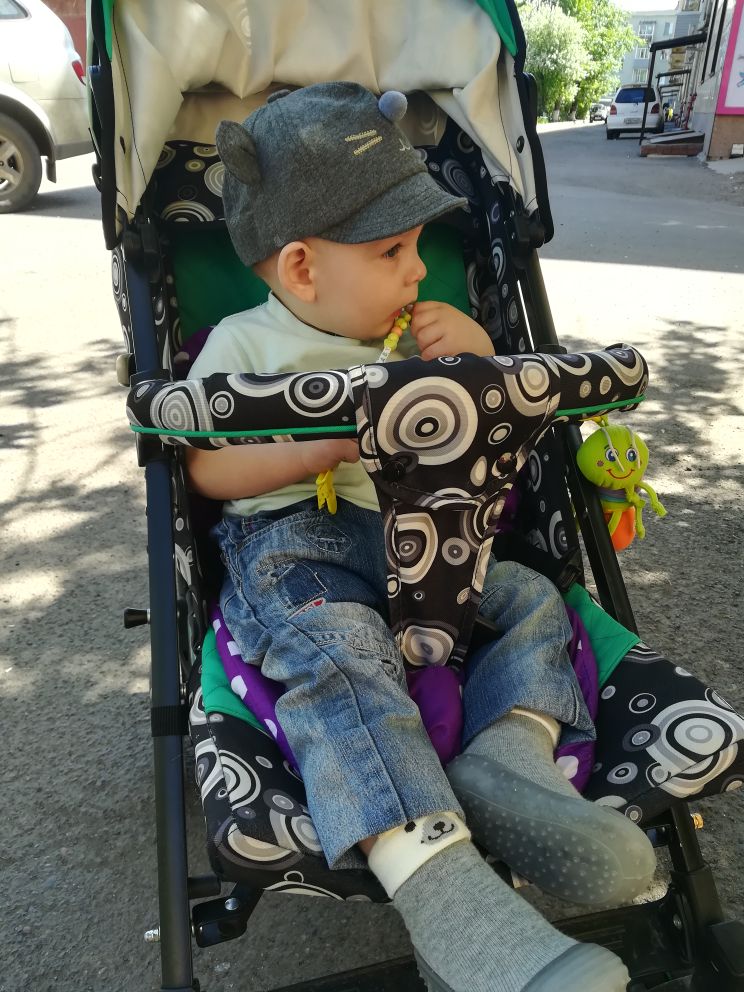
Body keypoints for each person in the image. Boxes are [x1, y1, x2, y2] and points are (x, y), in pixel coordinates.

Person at [186, 82, 655, 992]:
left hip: (424, 535)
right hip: (295, 546)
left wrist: (476, 354)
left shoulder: (418, 337)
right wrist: (317, 443)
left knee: (529, 601)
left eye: (419, 247)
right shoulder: (242, 346)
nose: (418, 272)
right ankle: (445, 890)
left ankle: (509, 758)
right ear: (302, 268)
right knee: (341, 654)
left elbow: (497, 422)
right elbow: (203, 469)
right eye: (392, 251)